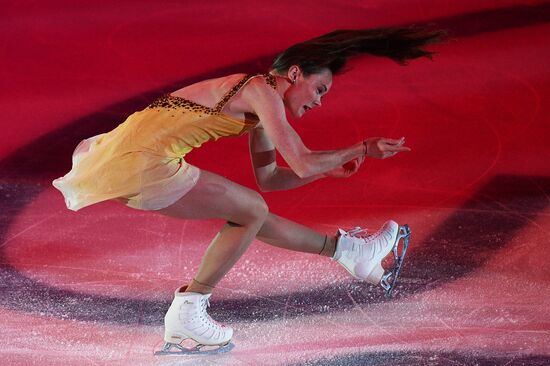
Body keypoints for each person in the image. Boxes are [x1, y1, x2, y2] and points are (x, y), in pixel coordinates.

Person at [52, 26, 443, 353]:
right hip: (142, 159)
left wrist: (326, 172)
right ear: (294, 74)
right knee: (250, 210)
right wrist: (361, 148)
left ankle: (351, 254)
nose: (319, 102)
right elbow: (303, 160)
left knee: (251, 211)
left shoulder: (258, 100)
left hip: (124, 155)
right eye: (320, 89)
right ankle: (189, 310)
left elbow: (271, 178)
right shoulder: (259, 90)